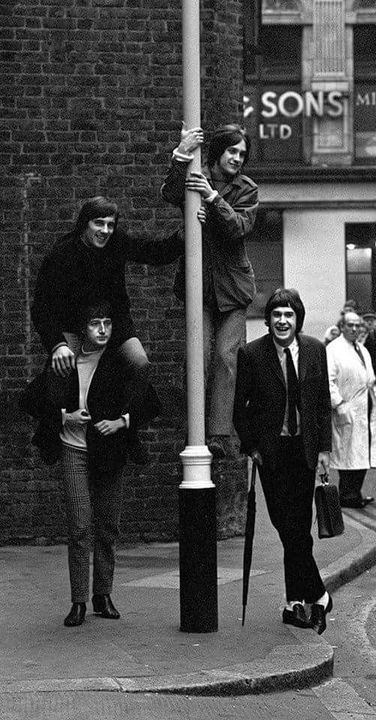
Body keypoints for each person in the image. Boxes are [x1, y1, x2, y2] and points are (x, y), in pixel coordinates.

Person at [20, 302, 162, 627]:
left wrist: (121, 422)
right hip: (73, 449)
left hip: (109, 452)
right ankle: (79, 601)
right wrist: (63, 416)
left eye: (108, 323)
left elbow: (152, 402)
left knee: (108, 526)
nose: (102, 330)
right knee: (81, 526)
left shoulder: (119, 362)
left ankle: (103, 594)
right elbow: (27, 400)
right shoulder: (66, 361)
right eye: (95, 323)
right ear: (83, 328)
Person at [31, 196, 184, 462]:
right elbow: (42, 306)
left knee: (139, 363)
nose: (104, 230)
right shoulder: (62, 254)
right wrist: (58, 345)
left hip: (112, 323)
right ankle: (50, 430)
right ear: (84, 224)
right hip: (73, 327)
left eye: (110, 225)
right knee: (58, 372)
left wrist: (183, 237)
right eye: (98, 223)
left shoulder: (116, 243)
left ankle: (128, 427)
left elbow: (153, 252)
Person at [233, 288, 333, 633]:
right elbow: (239, 411)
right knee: (285, 526)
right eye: (276, 314)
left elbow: (322, 405)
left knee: (299, 530)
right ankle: (319, 594)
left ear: (297, 319)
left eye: (288, 315)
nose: (282, 321)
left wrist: (324, 451)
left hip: (303, 451)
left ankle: (296, 604)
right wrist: (253, 447)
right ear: (268, 320)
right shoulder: (252, 354)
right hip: (272, 455)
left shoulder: (314, 351)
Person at [161, 124, 259, 459]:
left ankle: (218, 433)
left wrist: (213, 200)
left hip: (233, 288)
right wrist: (180, 155)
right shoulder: (195, 173)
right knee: (198, 355)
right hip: (199, 284)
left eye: (243, 154)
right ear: (218, 151)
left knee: (225, 358)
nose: (238, 158)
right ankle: (196, 428)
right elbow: (170, 193)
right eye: (233, 151)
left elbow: (236, 228)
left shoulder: (247, 189)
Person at [326, 311, 376, 508]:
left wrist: (374, 396)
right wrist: (339, 404)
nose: (355, 329)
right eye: (350, 325)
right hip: (346, 407)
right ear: (342, 326)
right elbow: (328, 381)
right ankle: (347, 494)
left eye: (358, 325)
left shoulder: (361, 348)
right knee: (347, 454)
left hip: (365, 407)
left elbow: (370, 377)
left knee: (362, 452)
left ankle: (354, 493)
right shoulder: (333, 350)